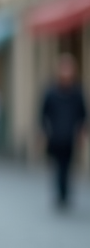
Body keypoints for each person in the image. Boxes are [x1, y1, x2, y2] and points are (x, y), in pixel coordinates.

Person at [40, 54, 87, 210]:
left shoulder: (77, 92)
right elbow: (43, 113)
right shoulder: (51, 92)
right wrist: (43, 132)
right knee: (58, 165)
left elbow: (82, 113)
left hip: (70, 136)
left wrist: (81, 132)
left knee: (67, 165)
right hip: (55, 135)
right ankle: (60, 193)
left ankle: (65, 193)